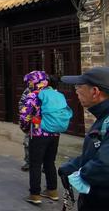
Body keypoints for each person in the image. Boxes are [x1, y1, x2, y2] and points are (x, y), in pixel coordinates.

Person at [59, 67, 109, 210]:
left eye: (79, 87)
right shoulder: (103, 117)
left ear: (95, 92)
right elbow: (97, 152)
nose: (76, 91)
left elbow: (105, 166)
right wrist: (73, 165)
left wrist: (80, 173)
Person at [19, 71, 59, 205]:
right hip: (55, 133)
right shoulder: (56, 94)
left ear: (36, 81)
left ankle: (35, 194)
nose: (29, 84)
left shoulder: (33, 95)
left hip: (38, 134)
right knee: (50, 162)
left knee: (35, 164)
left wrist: (25, 128)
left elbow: (25, 116)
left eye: (30, 81)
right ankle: (52, 191)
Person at [18, 86, 32, 172]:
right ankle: (28, 162)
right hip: (31, 121)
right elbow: (21, 103)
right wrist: (25, 114)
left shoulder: (48, 90)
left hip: (46, 122)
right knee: (27, 143)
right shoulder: (29, 90)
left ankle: (46, 164)